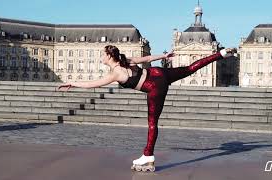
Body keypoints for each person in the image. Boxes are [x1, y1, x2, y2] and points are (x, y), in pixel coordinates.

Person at [58, 45, 237, 172]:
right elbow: (148, 59)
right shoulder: (125, 60)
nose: (101, 57)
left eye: (103, 54)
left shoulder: (115, 73)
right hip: (158, 72)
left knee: (152, 122)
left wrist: (73, 83)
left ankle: (148, 155)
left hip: (154, 87)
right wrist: (164, 57)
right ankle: (220, 54)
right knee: (190, 68)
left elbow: (92, 84)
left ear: (109, 56)